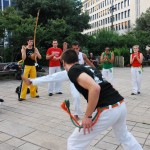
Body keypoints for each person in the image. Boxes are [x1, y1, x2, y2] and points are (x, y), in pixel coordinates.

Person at [60, 49, 143, 150]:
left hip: (107, 110)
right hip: (120, 104)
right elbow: (105, 84)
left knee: (74, 142)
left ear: (63, 62)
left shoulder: (73, 70)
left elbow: (95, 88)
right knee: (124, 136)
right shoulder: (89, 67)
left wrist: (87, 116)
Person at [19, 36, 42, 101]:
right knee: (25, 80)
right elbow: (23, 58)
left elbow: (40, 57)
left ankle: (33, 93)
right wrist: (23, 51)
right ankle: (22, 96)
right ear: (27, 42)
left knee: (33, 80)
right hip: (26, 66)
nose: (31, 42)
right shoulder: (24, 48)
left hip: (33, 66)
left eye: (32, 41)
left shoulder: (35, 48)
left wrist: (37, 53)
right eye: (30, 41)